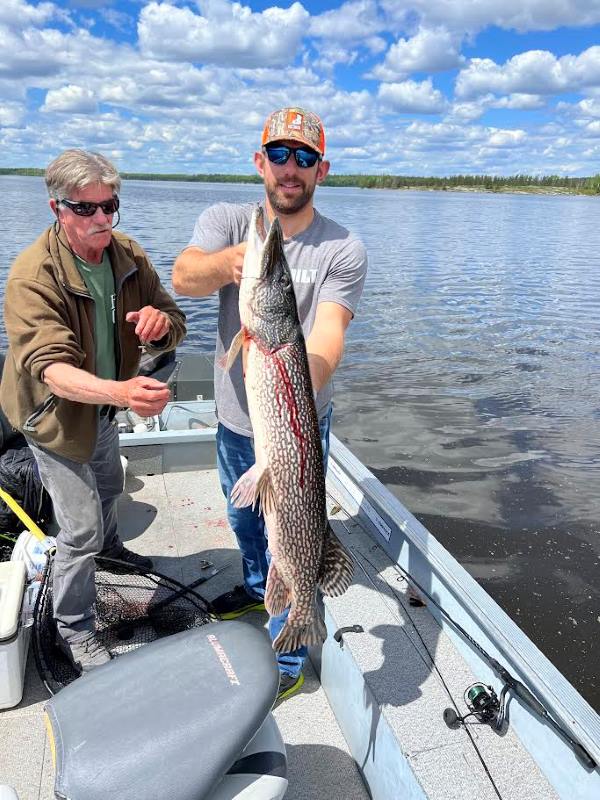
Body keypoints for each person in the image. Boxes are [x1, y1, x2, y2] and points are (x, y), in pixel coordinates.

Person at [172, 107, 367, 700]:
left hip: (300, 423)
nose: (291, 169)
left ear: (321, 170)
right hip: (238, 418)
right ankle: (262, 583)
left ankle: (289, 644)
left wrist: (295, 378)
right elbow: (184, 276)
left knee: (298, 521)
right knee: (243, 517)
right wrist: (231, 263)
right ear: (260, 163)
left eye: (304, 159)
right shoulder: (229, 220)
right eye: (279, 155)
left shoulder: (344, 247)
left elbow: (328, 334)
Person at [0, 149, 186, 673]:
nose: (102, 219)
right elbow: (53, 370)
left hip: (103, 408)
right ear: (57, 207)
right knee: (77, 527)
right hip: (53, 419)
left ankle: (113, 550)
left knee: (110, 487)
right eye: (86, 209)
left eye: (110, 205)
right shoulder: (32, 275)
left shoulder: (126, 254)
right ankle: (74, 628)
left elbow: (175, 318)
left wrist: (158, 324)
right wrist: (125, 394)